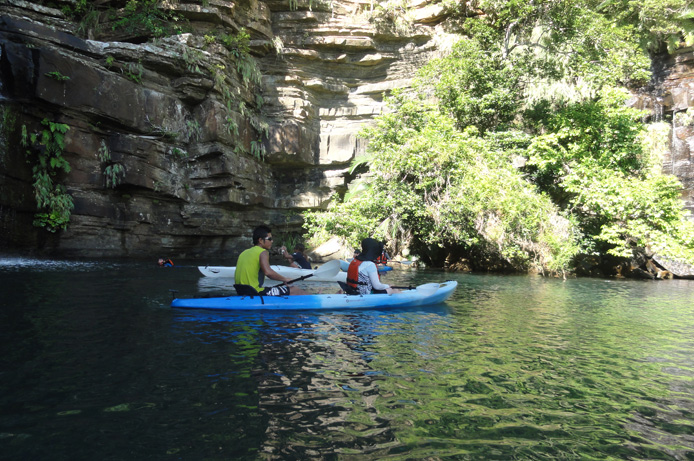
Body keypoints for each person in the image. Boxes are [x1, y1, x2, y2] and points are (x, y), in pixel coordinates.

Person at [235, 225, 307, 296]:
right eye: (269, 239)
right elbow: (268, 272)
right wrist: (285, 279)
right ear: (260, 240)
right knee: (295, 290)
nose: (272, 241)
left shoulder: (244, 252)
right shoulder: (263, 252)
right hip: (255, 292)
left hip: (241, 291)